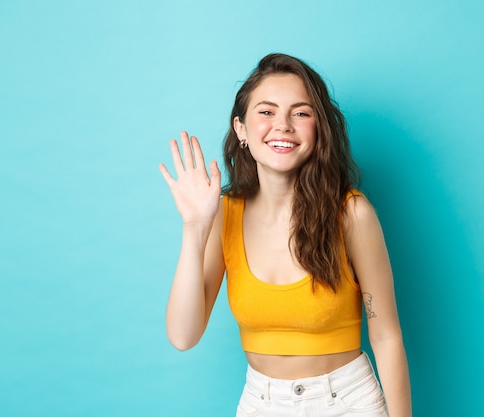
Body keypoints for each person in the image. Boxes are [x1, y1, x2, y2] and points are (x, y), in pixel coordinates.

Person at [159, 53, 411, 417]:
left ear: (319, 129)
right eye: (266, 112)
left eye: (301, 112)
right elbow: (183, 336)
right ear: (241, 129)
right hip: (261, 403)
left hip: (348, 402)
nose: (283, 125)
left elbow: (386, 337)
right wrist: (195, 228)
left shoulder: (352, 214)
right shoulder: (224, 214)